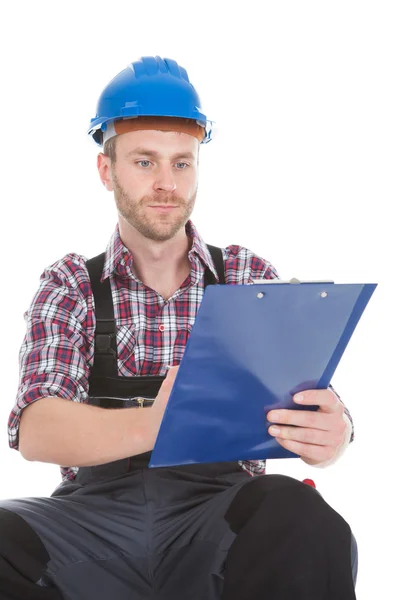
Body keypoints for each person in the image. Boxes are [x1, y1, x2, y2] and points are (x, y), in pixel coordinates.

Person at [0, 56, 358, 600]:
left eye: (182, 163)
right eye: (144, 162)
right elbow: (37, 429)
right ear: (106, 170)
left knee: (302, 516)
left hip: (221, 518)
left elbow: (305, 400)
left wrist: (333, 435)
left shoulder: (245, 276)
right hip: (92, 523)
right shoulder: (70, 282)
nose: (167, 184)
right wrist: (159, 423)